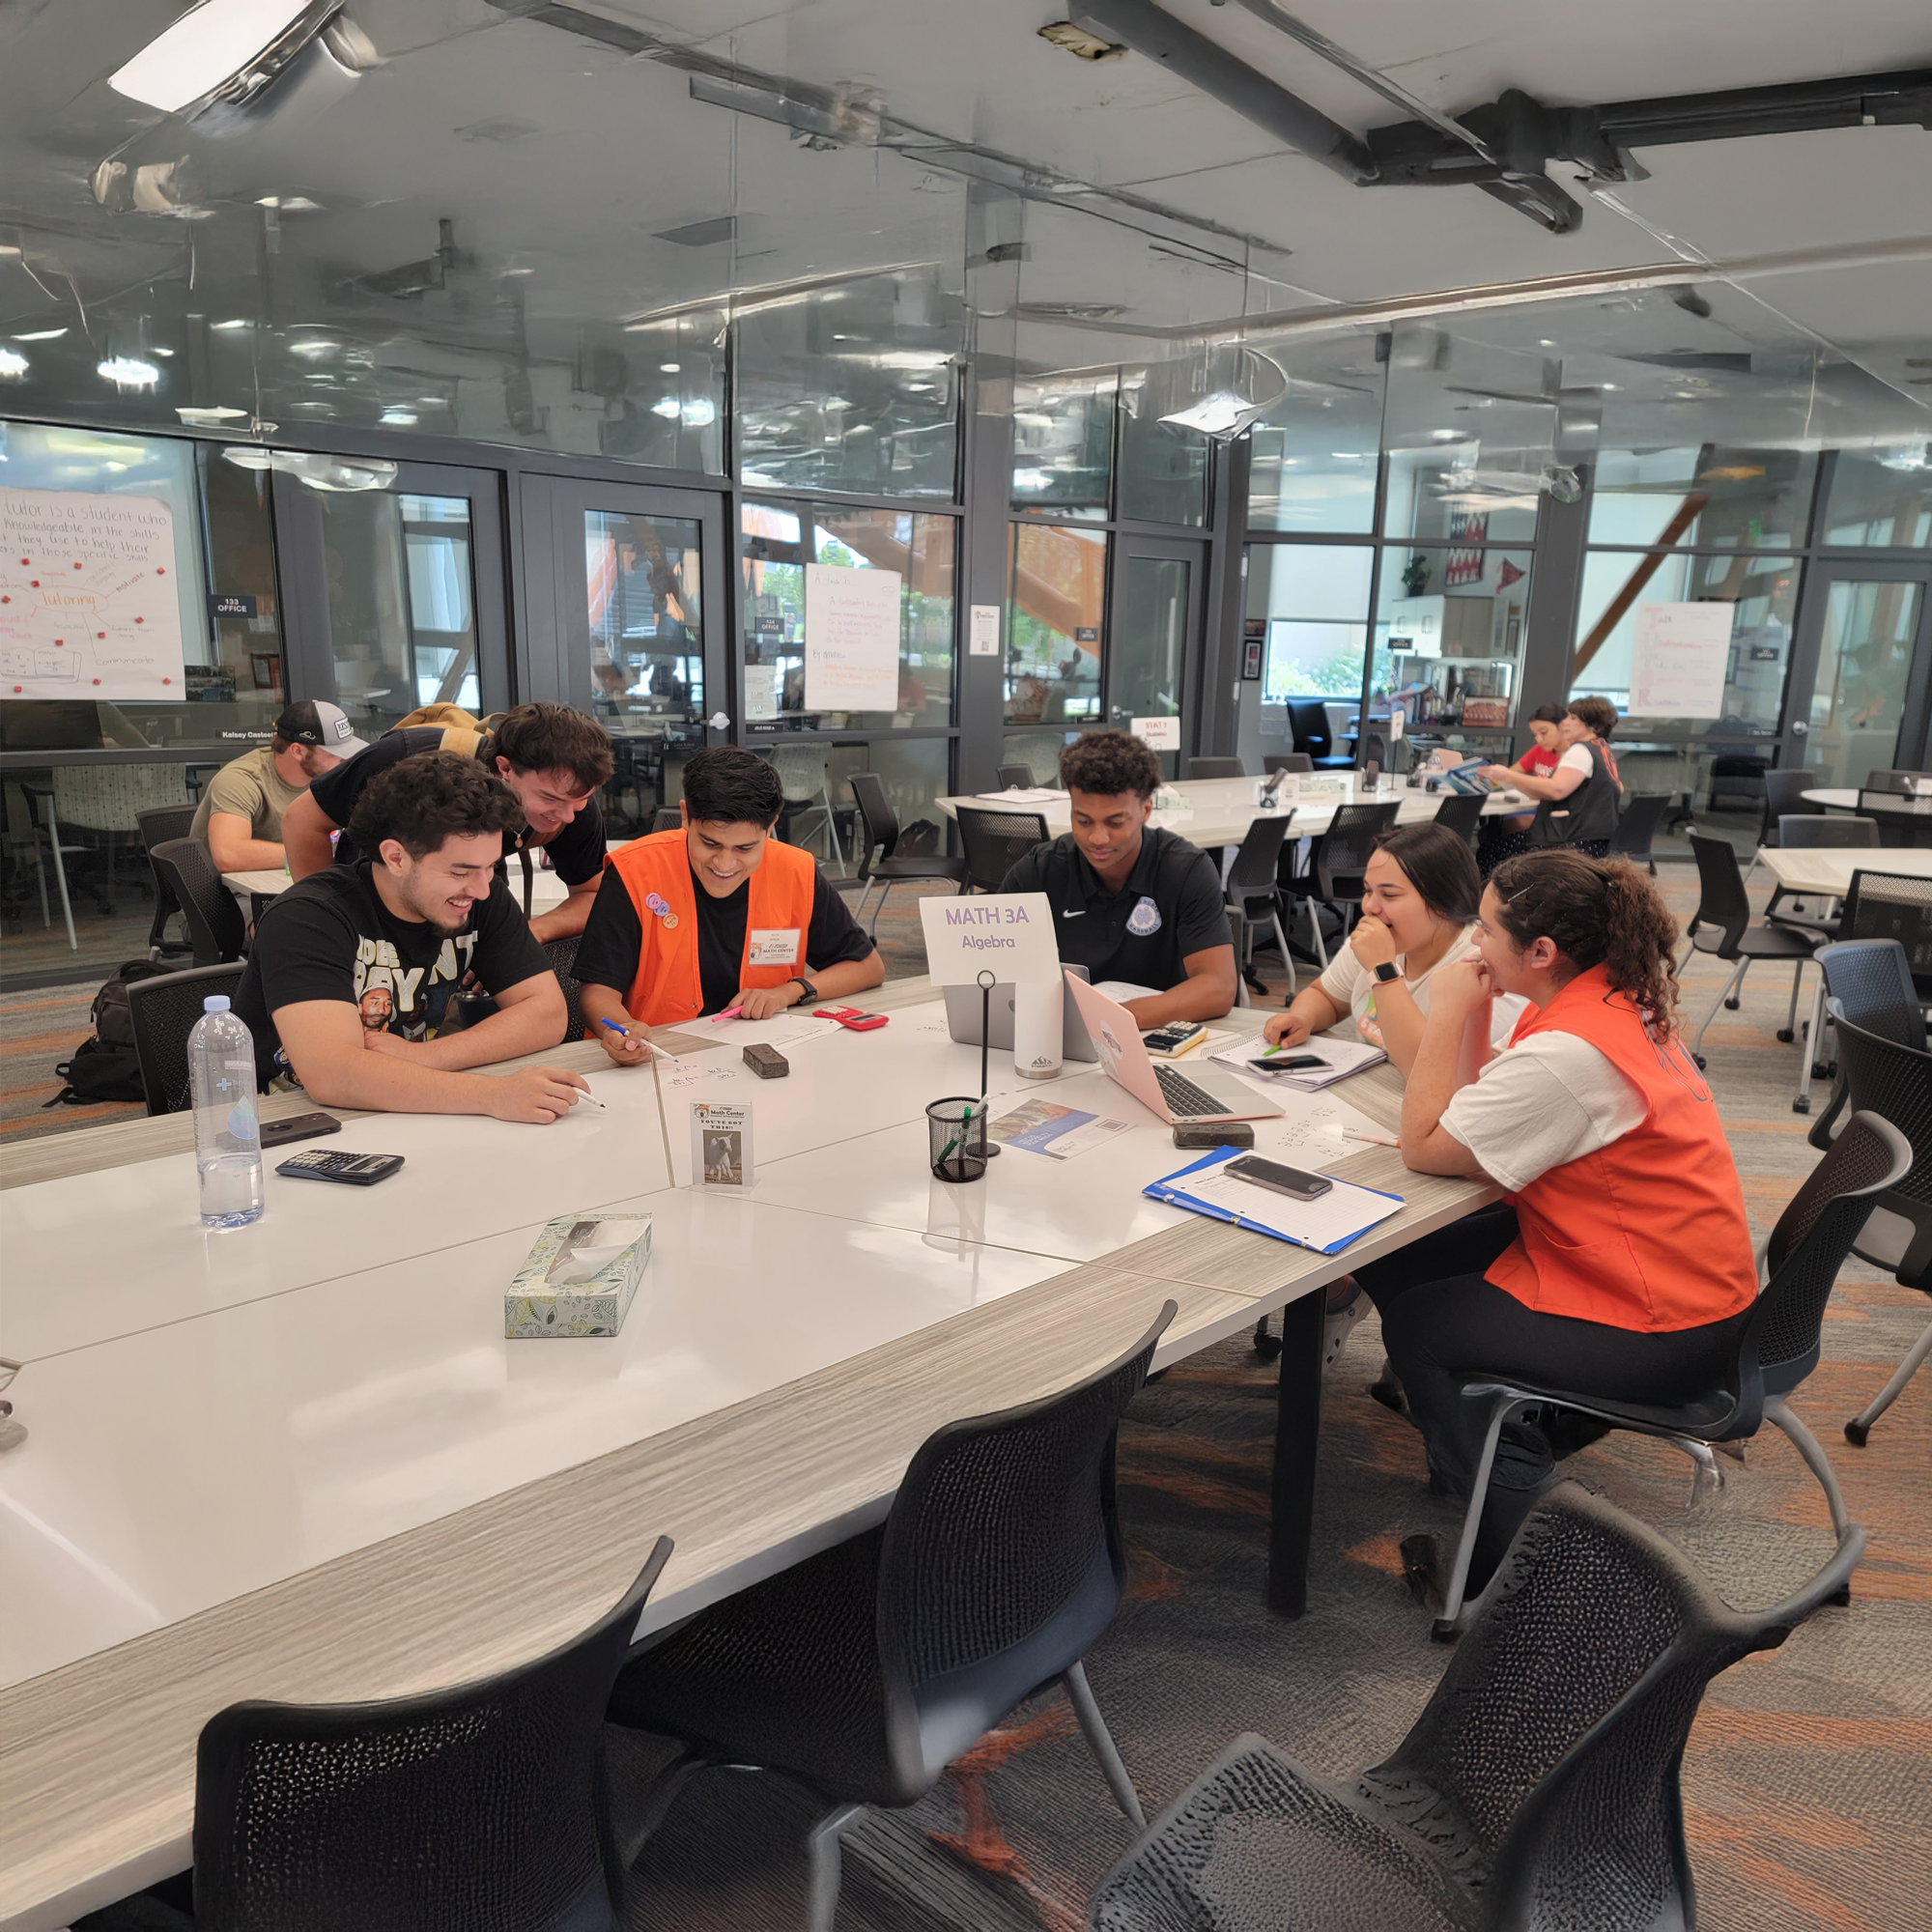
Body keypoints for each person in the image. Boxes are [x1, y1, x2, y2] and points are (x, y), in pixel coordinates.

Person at [1350, 850, 1758, 1605]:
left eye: (1487, 929)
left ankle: (1505, 1544)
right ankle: (1488, 1441)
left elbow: (1425, 1145)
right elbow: (1473, 1107)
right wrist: (1467, 1016)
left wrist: (1444, 1009)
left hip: (1665, 1325)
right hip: (1671, 1274)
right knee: (1412, 1254)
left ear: (1541, 952)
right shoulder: (1598, 1001)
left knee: (1421, 1326)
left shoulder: (1571, 1053)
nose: (1473, 944)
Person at [233, 752, 588, 1122]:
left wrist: (426, 1056)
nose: (482, 889)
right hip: (280, 1124)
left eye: (490, 867)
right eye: (460, 871)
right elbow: (332, 1074)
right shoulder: (306, 917)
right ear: (396, 858)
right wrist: (492, 1094)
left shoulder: (480, 897)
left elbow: (547, 1013)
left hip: (410, 1107)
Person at [578, 746, 884, 1055]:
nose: (724, 865)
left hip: (760, 1053)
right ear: (685, 816)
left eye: (745, 849)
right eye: (710, 843)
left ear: (771, 827)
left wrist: (788, 992)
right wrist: (620, 1027)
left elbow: (867, 967)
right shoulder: (635, 872)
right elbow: (596, 990)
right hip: (658, 1058)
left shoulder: (795, 871)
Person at [280, 702, 614, 943]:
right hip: (371, 913)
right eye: (551, 800)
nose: (569, 816)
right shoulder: (404, 757)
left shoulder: (570, 798)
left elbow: (593, 895)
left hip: (461, 917)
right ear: (505, 768)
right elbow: (302, 822)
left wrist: (535, 930)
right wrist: (326, 921)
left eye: (581, 800)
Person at [997, 729, 1236, 1029]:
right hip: (1058, 1035)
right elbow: (992, 969)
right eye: (1083, 821)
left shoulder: (1186, 870)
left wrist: (1112, 1019)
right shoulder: (1039, 870)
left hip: (1154, 1036)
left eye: (1116, 822)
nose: (1097, 838)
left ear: (1145, 809)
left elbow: (1219, 987)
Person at [1261, 823, 1524, 1075]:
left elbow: (1431, 1073)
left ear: (1443, 901)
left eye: (1389, 895)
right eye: (1367, 891)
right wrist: (1303, 1017)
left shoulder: (1484, 963)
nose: (1369, 907)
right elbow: (1326, 996)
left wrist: (1382, 970)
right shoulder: (1383, 938)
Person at [188, 699, 364, 873]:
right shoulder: (241, 779)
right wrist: (317, 854)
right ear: (298, 751)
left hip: (287, 880)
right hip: (228, 892)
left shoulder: (328, 775)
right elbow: (228, 855)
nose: (345, 762)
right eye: (337, 754)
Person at [1475, 697, 1621, 867]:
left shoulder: (1580, 750)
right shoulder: (1601, 748)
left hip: (1569, 840)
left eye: (1573, 718)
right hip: (1593, 839)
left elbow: (1556, 789)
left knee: (1490, 851)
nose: (1566, 723)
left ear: (1592, 725)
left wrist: (1509, 776)